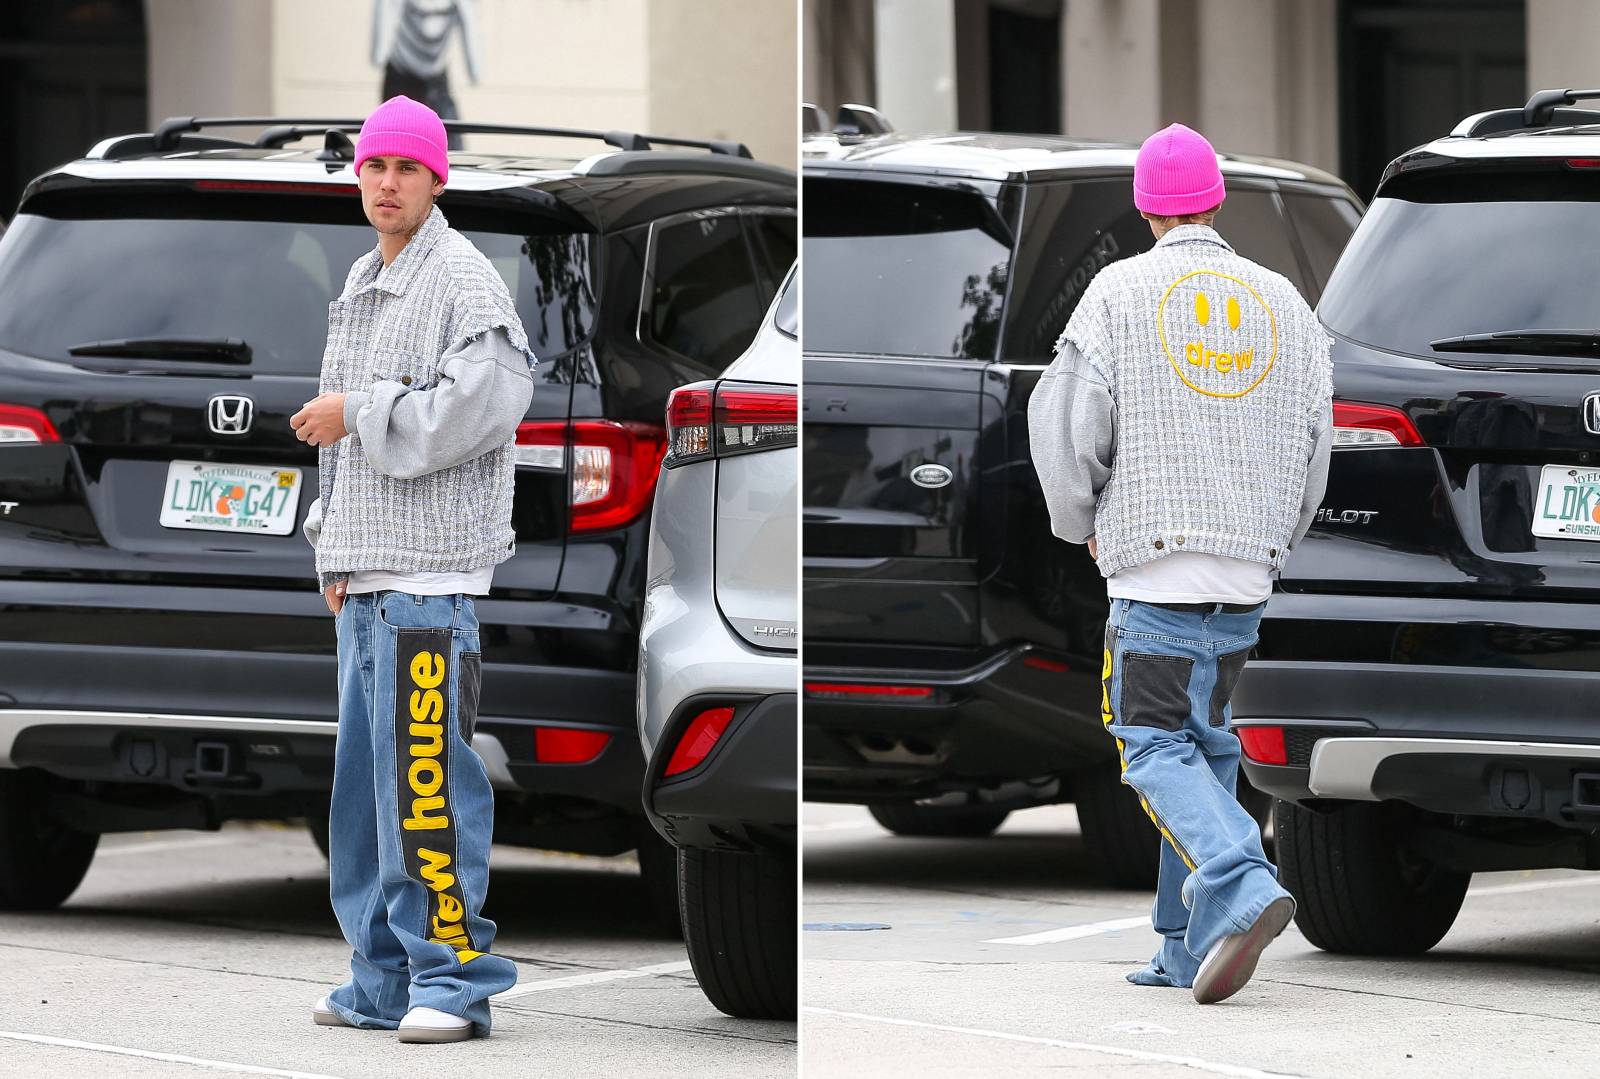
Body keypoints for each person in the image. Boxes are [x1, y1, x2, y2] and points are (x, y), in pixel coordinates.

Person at [1027, 122, 1332, 1004]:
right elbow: (1316, 449)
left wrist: (1080, 520)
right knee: (1204, 743)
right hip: (1245, 575)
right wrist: (1278, 536)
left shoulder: (1117, 294)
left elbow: (1069, 424)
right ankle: (1181, 943)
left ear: (1144, 207)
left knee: (1151, 742)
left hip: (1155, 565)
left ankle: (1243, 882)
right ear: (1216, 201)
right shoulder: (1285, 301)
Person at [292, 94, 536, 1041]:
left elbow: (482, 408)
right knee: (363, 796)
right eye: (373, 167)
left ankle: (454, 983)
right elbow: (338, 443)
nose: (386, 183)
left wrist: (358, 410)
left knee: (425, 785)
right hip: (368, 576)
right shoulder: (363, 278)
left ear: (437, 179)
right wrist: (331, 542)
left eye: (405, 168)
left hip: (430, 583)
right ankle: (382, 977)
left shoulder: (465, 282)